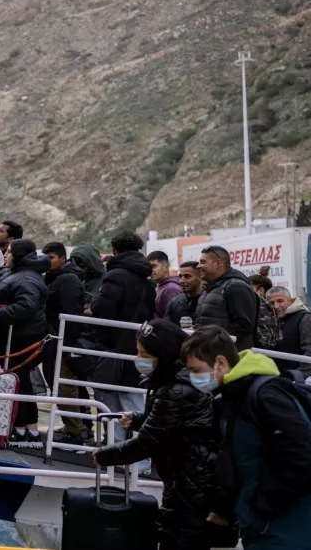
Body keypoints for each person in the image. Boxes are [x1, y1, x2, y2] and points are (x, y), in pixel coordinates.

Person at [92, 320, 223, 549]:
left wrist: (104, 455)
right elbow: (174, 424)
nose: (139, 359)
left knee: (180, 539)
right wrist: (138, 419)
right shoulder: (180, 380)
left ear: (163, 354)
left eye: (144, 354)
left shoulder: (174, 389)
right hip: (191, 476)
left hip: (191, 482)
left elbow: (148, 442)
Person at [183, 326, 311, 550]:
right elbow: (238, 458)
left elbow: (302, 458)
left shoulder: (264, 395)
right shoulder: (236, 397)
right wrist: (224, 508)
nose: (194, 378)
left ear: (220, 363)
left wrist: (261, 508)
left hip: (285, 527)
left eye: (197, 370)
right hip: (267, 527)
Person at [0, 239, 49, 448]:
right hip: (12, 338)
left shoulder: (27, 278)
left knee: (18, 381)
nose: (5, 256)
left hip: (21, 338)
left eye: (9, 252)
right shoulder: (14, 273)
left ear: (18, 256)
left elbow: (25, 307)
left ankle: (23, 429)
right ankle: (27, 429)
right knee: (20, 381)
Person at [89, 230, 154, 442]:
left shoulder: (115, 276)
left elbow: (104, 308)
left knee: (111, 402)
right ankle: (139, 456)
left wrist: (93, 306)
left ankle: (115, 449)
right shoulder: (147, 280)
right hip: (138, 346)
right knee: (134, 399)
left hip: (112, 345)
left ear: (115, 251)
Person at [41, 242, 90, 445]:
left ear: (62, 258)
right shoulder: (55, 278)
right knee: (59, 386)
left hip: (64, 343)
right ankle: (76, 429)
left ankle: (80, 433)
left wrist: (67, 348)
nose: (47, 261)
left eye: (51, 257)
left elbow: (71, 315)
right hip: (56, 341)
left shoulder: (67, 279)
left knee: (65, 388)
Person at [195, 245, 258, 351]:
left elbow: (244, 326)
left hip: (231, 355)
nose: (198, 266)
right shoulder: (209, 288)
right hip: (212, 352)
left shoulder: (237, 287)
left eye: (203, 262)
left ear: (218, 263)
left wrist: (211, 337)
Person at [266, 286, 311, 373]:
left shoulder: (305, 318)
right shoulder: (269, 321)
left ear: (290, 301)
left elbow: (309, 353)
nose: (275, 306)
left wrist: (298, 377)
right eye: (271, 303)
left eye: (280, 301)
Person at [148, 250, 183, 319]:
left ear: (165, 267)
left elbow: (174, 319)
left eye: (154, 266)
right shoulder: (160, 286)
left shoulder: (171, 289)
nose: (151, 270)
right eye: (149, 267)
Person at [167, 261, 203, 328]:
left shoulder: (209, 301)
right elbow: (167, 328)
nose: (182, 281)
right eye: (180, 276)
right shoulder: (174, 302)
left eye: (187, 276)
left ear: (200, 277)